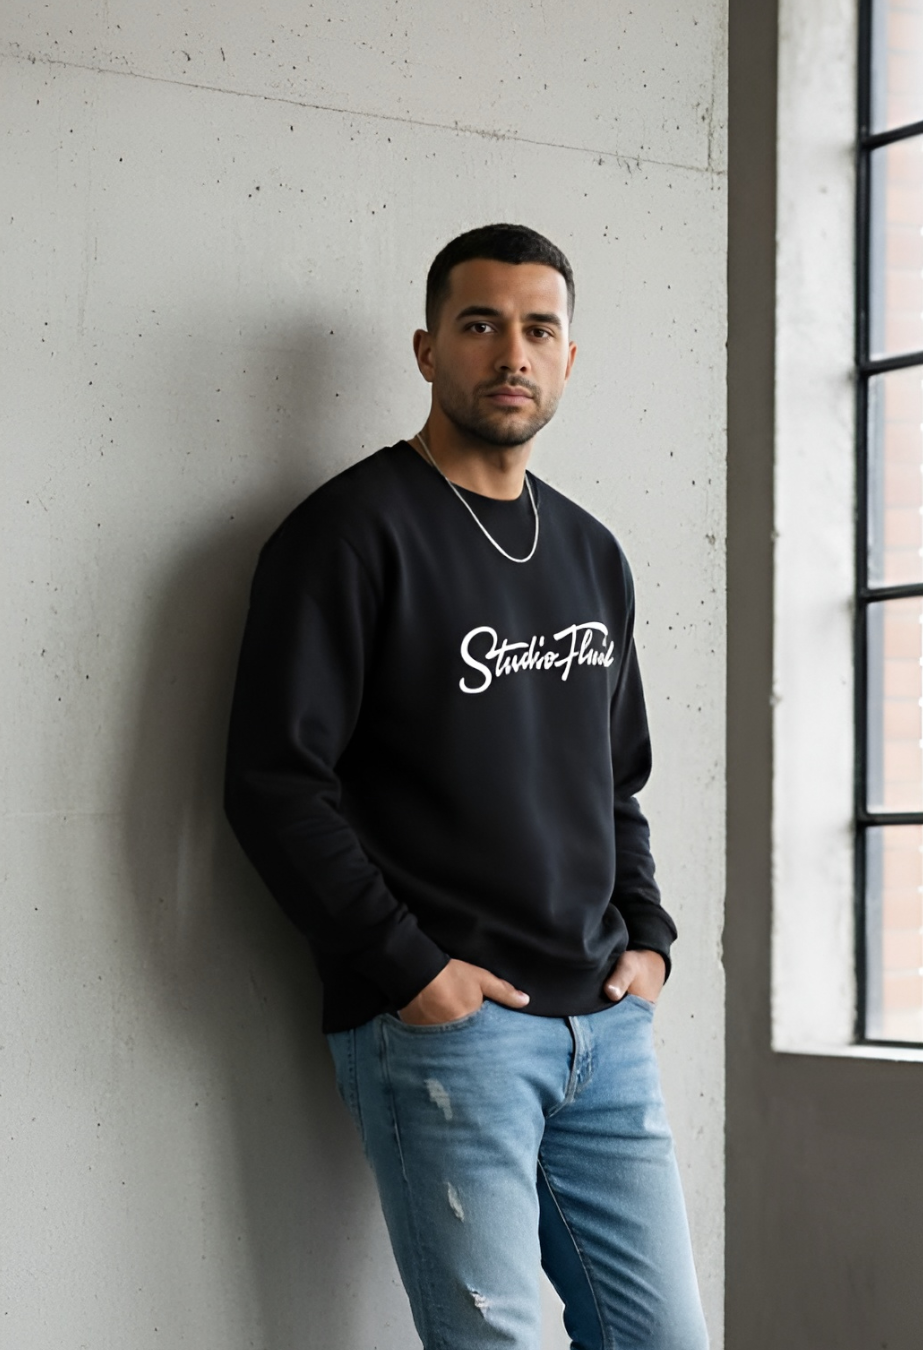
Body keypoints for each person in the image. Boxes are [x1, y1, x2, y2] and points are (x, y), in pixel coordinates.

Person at [224, 223, 708, 1349]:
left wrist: (648, 940)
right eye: (480, 324)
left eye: (539, 329)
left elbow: (616, 781)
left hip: (605, 1029)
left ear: (569, 357)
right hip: (452, 1033)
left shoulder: (592, 552)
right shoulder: (348, 534)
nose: (512, 353)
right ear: (428, 348)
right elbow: (274, 786)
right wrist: (412, 971)